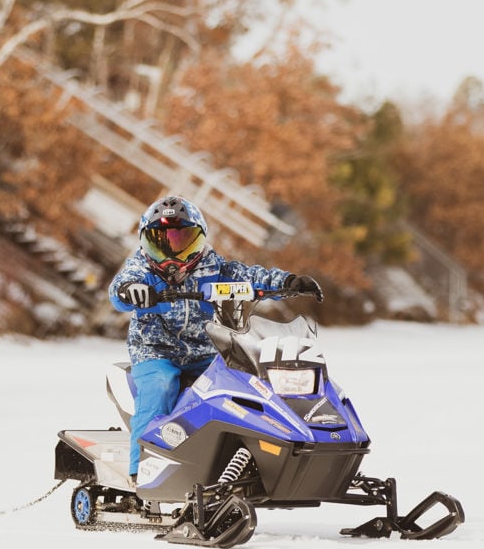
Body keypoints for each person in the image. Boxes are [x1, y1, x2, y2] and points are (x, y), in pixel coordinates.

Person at [108, 195, 323, 482]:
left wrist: (288, 282)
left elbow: (253, 277)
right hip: (155, 352)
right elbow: (120, 288)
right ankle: (142, 471)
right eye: (162, 242)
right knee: (159, 388)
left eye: (184, 241)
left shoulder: (216, 269)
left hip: (207, 353)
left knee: (245, 390)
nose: (173, 253)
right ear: (145, 243)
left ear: (200, 241)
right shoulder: (141, 270)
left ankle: (230, 461)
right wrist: (130, 290)